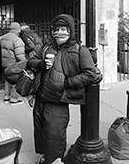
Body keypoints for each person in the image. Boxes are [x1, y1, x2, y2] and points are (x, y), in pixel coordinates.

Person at [26, 14, 97, 164]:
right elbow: (30, 61)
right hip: (41, 99)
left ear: (70, 30)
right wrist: (40, 64)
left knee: (55, 136)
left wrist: (67, 82)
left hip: (58, 102)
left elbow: (90, 74)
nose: (59, 32)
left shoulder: (79, 50)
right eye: (56, 29)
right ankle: (46, 157)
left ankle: (55, 160)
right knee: (41, 132)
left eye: (63, 29)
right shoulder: (46, 47)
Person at [0, 22, 26, 105]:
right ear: (18, 30)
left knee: (7, 79)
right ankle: (14, 99)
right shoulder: (17, 40)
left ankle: (7, 97)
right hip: (14, 64)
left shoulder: (2, 38)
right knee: (15, 80)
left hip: (5, 63)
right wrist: (25, 62)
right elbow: (19, 55)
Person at [19, 22, 44, 108]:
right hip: (39, 54)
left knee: (31, 75)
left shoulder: (25, 34)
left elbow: (31, 46)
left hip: (33, 55)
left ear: (22, 28)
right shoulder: (33, 33)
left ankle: (31, 95)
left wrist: (23, 49)